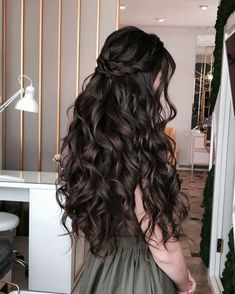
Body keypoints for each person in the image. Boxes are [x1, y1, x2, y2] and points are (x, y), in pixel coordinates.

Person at [56, 26, 196, 294]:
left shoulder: (87, 138)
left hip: (100, 269)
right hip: (140, 277)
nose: (161, 86)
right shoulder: (138, 148)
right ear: (141, 82)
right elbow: (161, 245)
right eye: (158, 78)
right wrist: (186, 283)